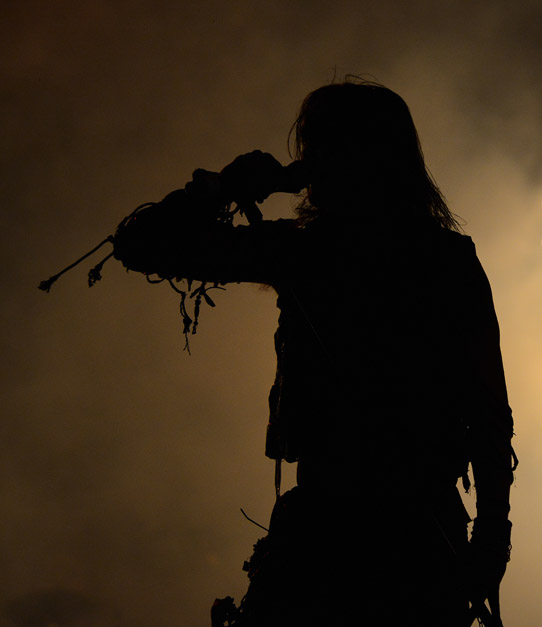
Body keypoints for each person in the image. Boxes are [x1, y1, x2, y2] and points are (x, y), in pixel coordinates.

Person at [112, 80, 516, 626]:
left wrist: (223, 190)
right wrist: (489, 541)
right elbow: (489, 416)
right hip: (379, 536)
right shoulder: (410, 258)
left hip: (384, 537)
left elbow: (488, 416)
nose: (310, 163)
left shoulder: (318, 255)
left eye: (319, 147)